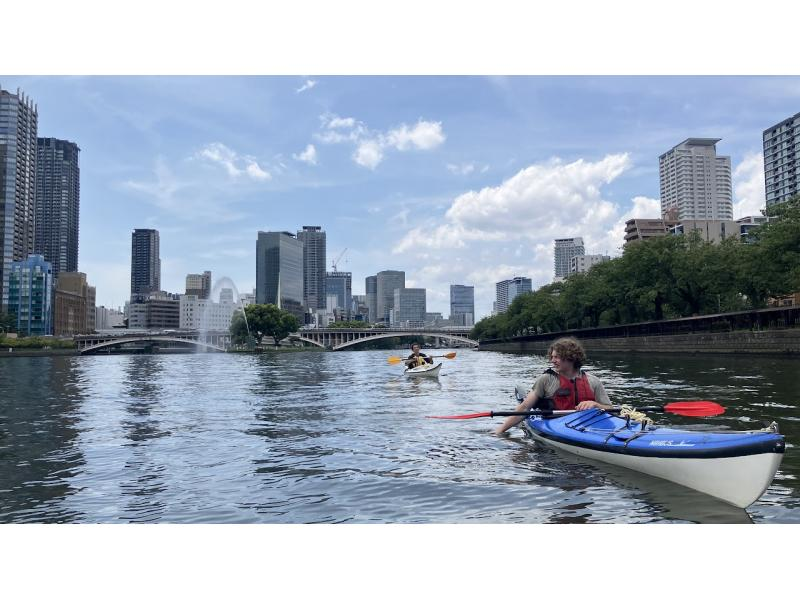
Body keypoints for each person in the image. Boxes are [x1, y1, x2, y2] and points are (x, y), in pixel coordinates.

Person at [495, 336, 612, 435]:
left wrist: (596, 404)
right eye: (551, 357)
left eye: (556, 357)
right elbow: (525, 408)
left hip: (591, 428)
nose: (552, 361)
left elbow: (611, 410)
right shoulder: (546, 380)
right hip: (556, 425)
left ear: (570, 357)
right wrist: (499, 431)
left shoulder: (593, 381)